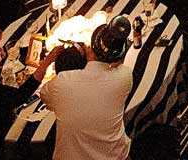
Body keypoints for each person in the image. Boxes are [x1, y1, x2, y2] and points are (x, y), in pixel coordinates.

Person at [36, 19, 136, 160]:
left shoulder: (62, 81)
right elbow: (117, 65)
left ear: (92, 48)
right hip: (115, 156)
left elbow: (45, 96)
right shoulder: (125, 76)